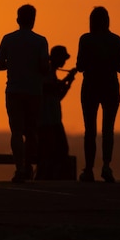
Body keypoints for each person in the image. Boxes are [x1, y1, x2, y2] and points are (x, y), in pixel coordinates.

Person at [0, 4, 49, 182]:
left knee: (16, 131)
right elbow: (44, 67)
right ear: (33, 20)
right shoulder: (41, 41)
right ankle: (28, 167)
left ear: (18, 19)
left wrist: (14, 64)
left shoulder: (8, 39)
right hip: (34, 91)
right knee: (32, 132)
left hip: (14, 90)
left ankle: (19, 168)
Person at [77, 6, 120, 183]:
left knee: (90, 130)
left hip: (90, 87)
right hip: (110, 87)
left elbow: (80, 65)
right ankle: (106, 165)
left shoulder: (86, 39)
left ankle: (89, 169)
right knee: (108, 130)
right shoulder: (115, 40)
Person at [36, 46, 77, 180]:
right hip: (46, 121)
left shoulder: (52, 73)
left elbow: (57, 96)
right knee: (50, 152)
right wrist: (66, 80)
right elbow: (48, 88)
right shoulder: (46, 72)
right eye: (63, 59)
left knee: (60, 151)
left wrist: (68, 82)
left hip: (54, 119)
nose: (64, 62)